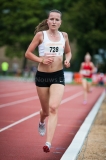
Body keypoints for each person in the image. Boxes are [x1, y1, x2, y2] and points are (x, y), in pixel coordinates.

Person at [25, 9, 72, 152]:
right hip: (42, 76)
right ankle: (41, 120)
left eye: (57, 19)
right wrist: (41, 59)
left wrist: (67, 60)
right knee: (45, 111)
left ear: (60, 22)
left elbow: (68, 52)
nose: (54, 22)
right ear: (47, 21)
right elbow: (27, 53)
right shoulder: (41, 35)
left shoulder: (64, 36)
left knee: (53, 108)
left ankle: (48, 143)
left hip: (58, 75)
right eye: (51, 19)